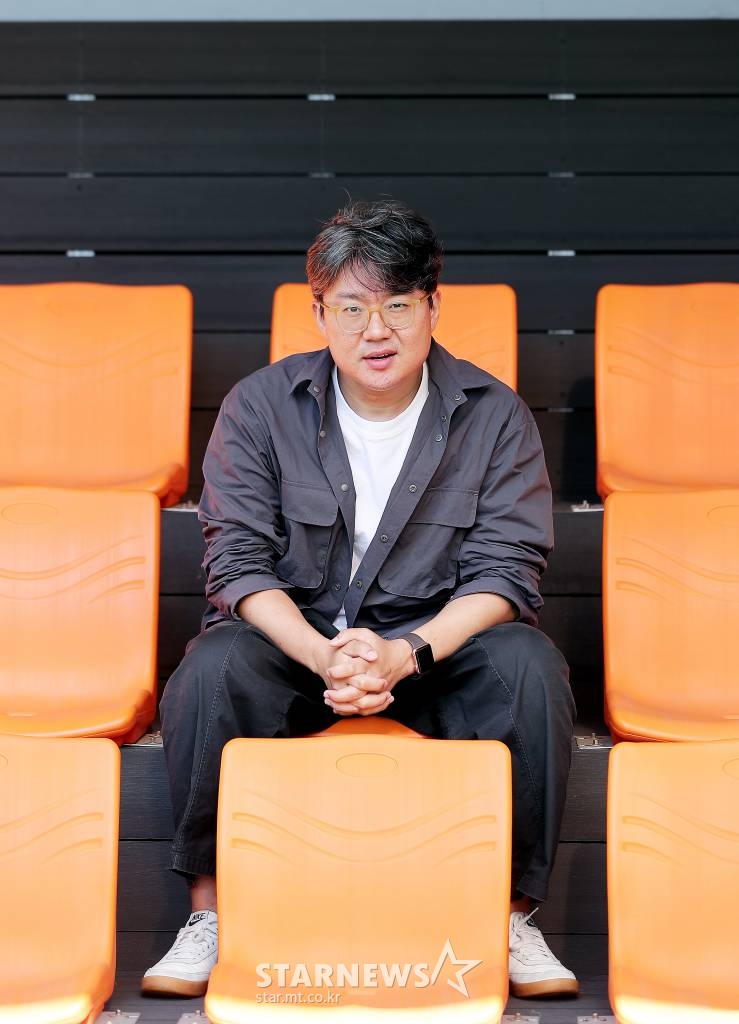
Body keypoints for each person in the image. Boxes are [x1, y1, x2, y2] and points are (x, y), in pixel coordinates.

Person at [141, 199, 578, 1000]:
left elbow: (506, 570)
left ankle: (513, 919)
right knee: (211, 670)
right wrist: (321, 654)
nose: (376, 331)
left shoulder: (493, 415)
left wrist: (405, 653)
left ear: (432, 307)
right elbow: (236, 564)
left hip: (433, 651)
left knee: (528, 669)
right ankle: (210, 913)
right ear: (318, 314)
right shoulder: (260, 406)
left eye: (397, 306)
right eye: (351, 307)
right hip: (298, 648)